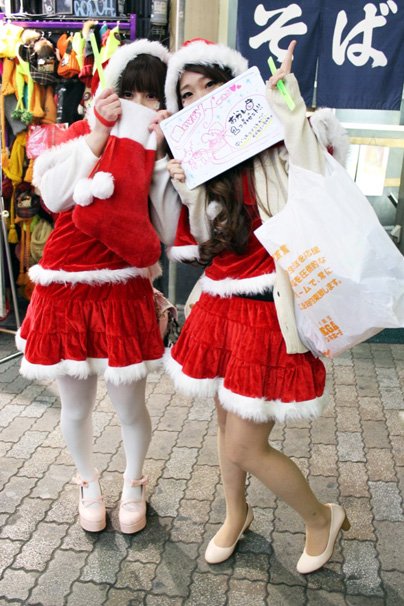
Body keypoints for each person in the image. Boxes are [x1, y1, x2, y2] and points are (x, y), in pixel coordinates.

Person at [163, 38, 350, 574]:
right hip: (220, 305)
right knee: (226, 427)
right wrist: (190, 187)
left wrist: (285, 102)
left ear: (234, 88)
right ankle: (237, 514)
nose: (197, 99)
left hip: (270, 309)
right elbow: (203, 240)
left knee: (246, 445)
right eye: (187, 93)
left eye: (208, 86)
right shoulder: (206, 163)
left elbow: (317, 173)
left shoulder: (277, 140)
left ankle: (321, 518)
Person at [16, 39, 180, 534]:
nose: (140, 106)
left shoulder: (156, 151)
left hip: (123, 287)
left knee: (131, 404)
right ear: (110, 91)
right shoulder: (77, 136)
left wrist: (171, 166)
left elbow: (168, 235)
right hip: (64, 287)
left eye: (152, 97)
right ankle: (87, 481)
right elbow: (54, 195)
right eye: (131, 93)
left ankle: (134, 483)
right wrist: (97, 136)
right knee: (76, 404)